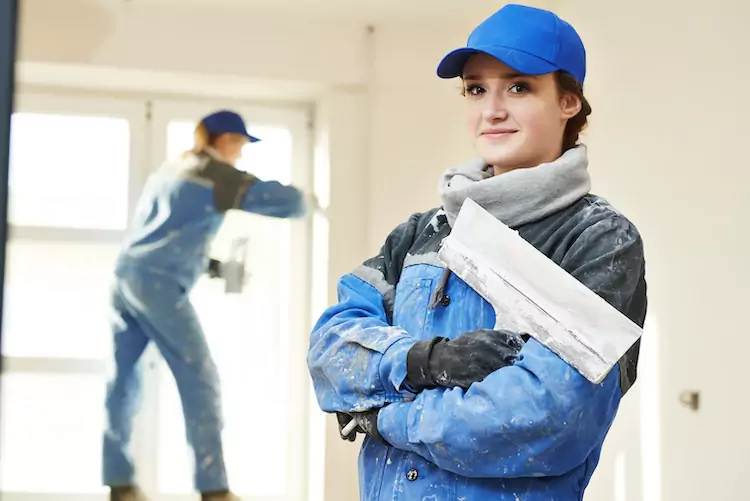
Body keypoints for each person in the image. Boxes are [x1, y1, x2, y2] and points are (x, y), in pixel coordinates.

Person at [307, 4, 647, 501]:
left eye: (519, 87)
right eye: (475, 88)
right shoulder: (424, 232)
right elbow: (330, 352)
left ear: (569, 102)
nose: (491, 110)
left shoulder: (599, 241)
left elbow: (549, 419)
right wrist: (424, 362)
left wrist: (383, 416)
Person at [104, 110, 312, 501]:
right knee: (200, 377)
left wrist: (211, 265)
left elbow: (167, 232)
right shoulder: (215, 174)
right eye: (241, 145)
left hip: (126, 277)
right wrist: (312, 198)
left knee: (123, 380)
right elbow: (289, 203)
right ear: (226, 140)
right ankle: (213, 489)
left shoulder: (171, 169)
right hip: (159, 285)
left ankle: (119, 483)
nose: (240, 154)